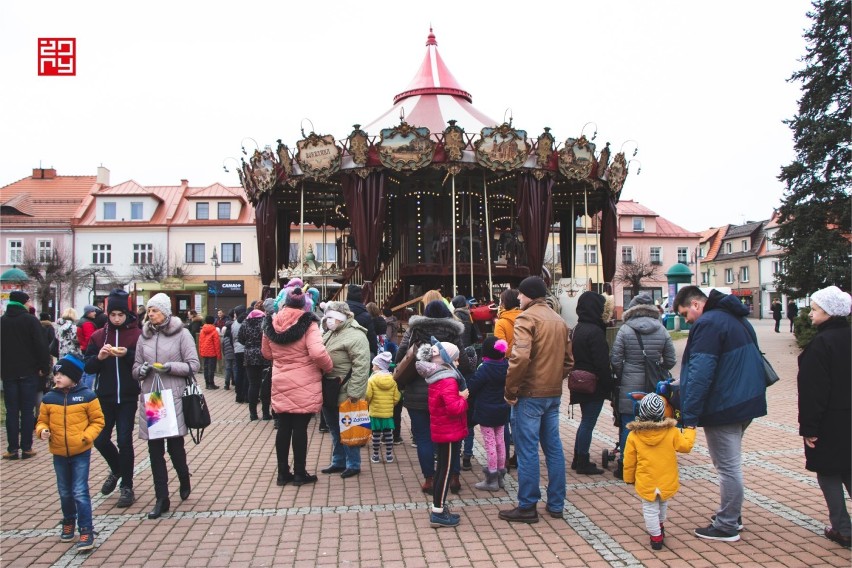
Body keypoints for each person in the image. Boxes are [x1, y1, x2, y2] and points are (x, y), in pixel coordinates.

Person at [673, 285, 767, 542]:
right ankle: (731, 514)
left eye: (685, 314)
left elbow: (701, 373)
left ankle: (727, 524)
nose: (686, 320)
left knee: (727, 466)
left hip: (724, 404)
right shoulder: (733, 317)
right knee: (730, 463)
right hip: (744, 399)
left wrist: (689, 415)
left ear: (695, 304)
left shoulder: (709, 324)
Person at [500, 276, 572, 523]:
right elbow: (569, 361)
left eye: (520, 294)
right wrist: (553, 378)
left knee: (527, 449)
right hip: (553, 393)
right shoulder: (559, 320)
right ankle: (556, 504)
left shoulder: (526, 318)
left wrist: (511, 390)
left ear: (529, 295)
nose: (518, 298)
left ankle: (528, 505)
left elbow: (519, 358)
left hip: (529, 394)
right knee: (553, 448)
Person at [132, 293, 200, 520]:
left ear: (166, 312)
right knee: (154, 450)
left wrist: (169, 367)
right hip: (153, 398)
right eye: (149, 311)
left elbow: (193, 365)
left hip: (174, 396)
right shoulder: (144, 336)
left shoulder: (183, 334)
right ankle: (161, 497)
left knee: (175, 447)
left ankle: (183, 477)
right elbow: (135, 366)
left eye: (155, 310)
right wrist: (140, 371)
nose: (151, 314)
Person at [396, 299, 474, 495]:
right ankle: (454, 476)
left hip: (417, 392)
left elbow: (400, 357)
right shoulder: (454, 333)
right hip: (447, 392)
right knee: (452, 436)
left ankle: (429, 479)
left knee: (423, 437)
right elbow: (463, 363)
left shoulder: (414, 330)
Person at [796, 286, 851, 549]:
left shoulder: (821, 344)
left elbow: (813, 390)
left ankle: (842, 528)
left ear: (829, 313)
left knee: (828, 472)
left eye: (815, 309)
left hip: (829, 420)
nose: (810, 314)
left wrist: (809, 427)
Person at [261, 287, 333, 486]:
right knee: (300, 428)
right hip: (304, 382)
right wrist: (328, 367)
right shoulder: (308, 323)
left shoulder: (271, 322)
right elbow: (318, 353)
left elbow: (266, 354)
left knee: (283, 427)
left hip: (281, 379)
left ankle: (283, 473)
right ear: (303, 305)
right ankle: (300, 473)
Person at [36, 355, 105, 552]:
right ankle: (68, 520)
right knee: (64, 491)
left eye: (62, 374)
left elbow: (98, 421)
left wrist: (87, 436)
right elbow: (41, 421)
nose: (57, 378)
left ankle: (86, 530)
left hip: (80, 451)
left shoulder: (87, 396)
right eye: (56, 374)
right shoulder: (49, 398)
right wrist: (42, 431)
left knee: (79, 491)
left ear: (74, 377)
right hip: (58, 451)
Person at [84, 289, 141, 508]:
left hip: (127, 396)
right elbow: (88, 365)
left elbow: (142, 362)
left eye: (121, 314)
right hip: (104, 396)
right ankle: (117, 468)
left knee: (125, 439)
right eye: (113, 314)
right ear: (108, 314)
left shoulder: (136, 335)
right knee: (99, 438)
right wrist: (99, 357)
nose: (117, 318)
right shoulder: (99, 335)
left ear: (127, 314)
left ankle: (127, 485)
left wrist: (126, 354)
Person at [610, 292, 676, 479]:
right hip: (654, 384)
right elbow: (670, 359)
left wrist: (624, 374)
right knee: (654, 422)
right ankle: (651, 463)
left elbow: (616, 359)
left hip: (629, 383)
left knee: (628, 424)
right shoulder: (661, 329)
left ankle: (625, 465)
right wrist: (658, 368)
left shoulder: (625, 329)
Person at [623, 393, 696, 550]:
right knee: (663, 504)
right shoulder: (671, 432)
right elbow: (686, 446)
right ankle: (660, 526)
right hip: (666, 478)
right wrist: (690, 430)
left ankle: (656, 537)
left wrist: (629, 478)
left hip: (646, 479)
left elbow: (629, 460)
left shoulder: (634, 435)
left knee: (649, 509)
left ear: (641, 413)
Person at [414, 341, 469, 528]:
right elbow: (453, 408)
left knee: (441, 469)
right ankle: (438, 511)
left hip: (442, 428)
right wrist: (463, 399)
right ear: (447, 360)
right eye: (456, 359)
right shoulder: (447, 378)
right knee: (445, 471)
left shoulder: (437, 375)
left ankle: (438, 508)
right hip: (449, 429)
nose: (458, 362)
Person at [320, 301, 371, 479]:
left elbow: (362, 366)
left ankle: (353, 464)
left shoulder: (356, 336)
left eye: (332, 318)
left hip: (346, 389)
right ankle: (338, 461)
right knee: (334, 428)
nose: (328, 321)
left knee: (349, 429)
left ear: (342, 318)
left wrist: (355, 392)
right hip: (329, 388)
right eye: (327, 318)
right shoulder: (331, 333)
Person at [1, 290, 50, 460]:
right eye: (28, 301)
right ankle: (27, 448)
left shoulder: (2, 321)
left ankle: (12, 449)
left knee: (12, 411)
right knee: (27, 411)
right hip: (29, 372)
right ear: (23, 302)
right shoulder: (31, 321)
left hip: (8, 373)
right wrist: (44, 367)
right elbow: (41, 345)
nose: (30, 304)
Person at [569, 291, 613, 476]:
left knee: (584, 421)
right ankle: (583, 461)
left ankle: (577, 457)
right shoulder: (595, 331)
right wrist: (610, 386)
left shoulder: (578, 328)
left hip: (580, 381)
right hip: (593, 383)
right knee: (588, 422)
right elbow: (602, 363)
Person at [467, 337, 510, 491]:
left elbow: (473, 387)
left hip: (486, 411)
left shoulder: (485, 368)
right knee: (501, 442)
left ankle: (491, 478)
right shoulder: (507, 366)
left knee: (490, 443)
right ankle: (500, 475)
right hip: (502, 409)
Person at [493, 288, 522, 468]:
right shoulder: (525, 318)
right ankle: (519, 455)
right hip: (524, 368)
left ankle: (503, 456)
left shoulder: (501, 323)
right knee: (519, 416)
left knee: (504, 416)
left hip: (506, 368)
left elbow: (499, 349)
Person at [365, 352, 400, 464]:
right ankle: (389, 455)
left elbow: (368, 396)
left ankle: (376, 456)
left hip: (375, 412)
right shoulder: (392, 380)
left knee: (376, 435)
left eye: (374, 365)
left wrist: (368, 403)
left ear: (378, 366)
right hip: (388, 413)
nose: (372, 367)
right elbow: (396, 397)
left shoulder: (371, 380)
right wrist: (390, 404)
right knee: (388, 434)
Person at [240, 301, 272, 421]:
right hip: (264, 355)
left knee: (253, 384)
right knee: (265, 385)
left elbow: (240, 337)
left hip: (249, 355)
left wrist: (249, 345)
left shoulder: (245, 322)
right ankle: (265, 413)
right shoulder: (265, 322)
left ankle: (252, 413)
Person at [345, 284, 378, 358]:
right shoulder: (366, 316)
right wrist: (373, 353)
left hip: (341, 352)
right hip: (360, 352)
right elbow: (371, 338)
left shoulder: (339, 312)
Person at [197, 315, 221, 389]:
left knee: (206, 368)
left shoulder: (202, 331)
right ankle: (211, 383)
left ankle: (207, 384)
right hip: (212, 353)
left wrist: (200, 352)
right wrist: (219, 355)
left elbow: (200, 342)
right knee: (211, 369)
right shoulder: (214, 331)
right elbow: (217, 344)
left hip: (204, 352)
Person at [231, 305, 248, 403]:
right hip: (245, 349)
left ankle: (238, 395)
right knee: (246, 373)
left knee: (239, 373)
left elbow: (231, 338)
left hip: (237, 350)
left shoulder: (234, 324)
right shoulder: (246, 322)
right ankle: (246, 395)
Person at [221, 313, 237, 390]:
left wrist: (224, 354)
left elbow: (223, 347)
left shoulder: (224, 338)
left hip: (227, 355)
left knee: (227, 369)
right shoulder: (233, 336)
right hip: (234, 354)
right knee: (235, 368)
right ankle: (236, 382)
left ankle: (226, 384)